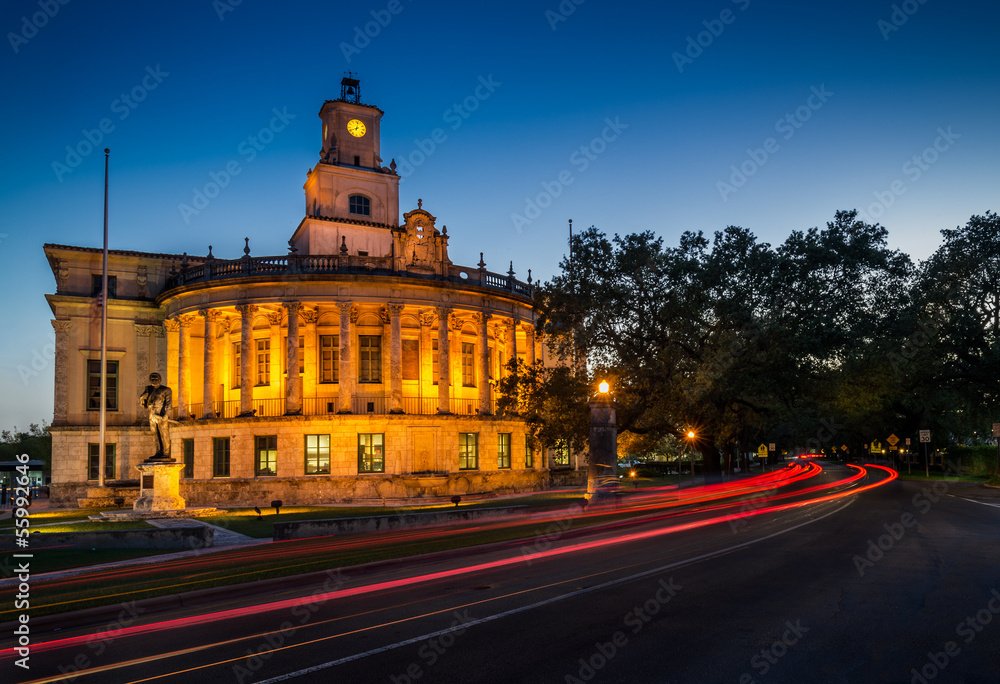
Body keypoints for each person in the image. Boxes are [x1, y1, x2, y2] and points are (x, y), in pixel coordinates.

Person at [139, 372, 172, 459]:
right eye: (152, 379)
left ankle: (165, 453)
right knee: (156, 434)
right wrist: (143, 398)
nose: (154, 381)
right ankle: (158, 452)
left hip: (161, 414)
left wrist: (166, 415)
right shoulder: (149, 389)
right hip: (152, 415)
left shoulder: (166, 390)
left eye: (156, 379)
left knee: (164, 434)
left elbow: (169, 404)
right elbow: (145, 405)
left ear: (160, 379)